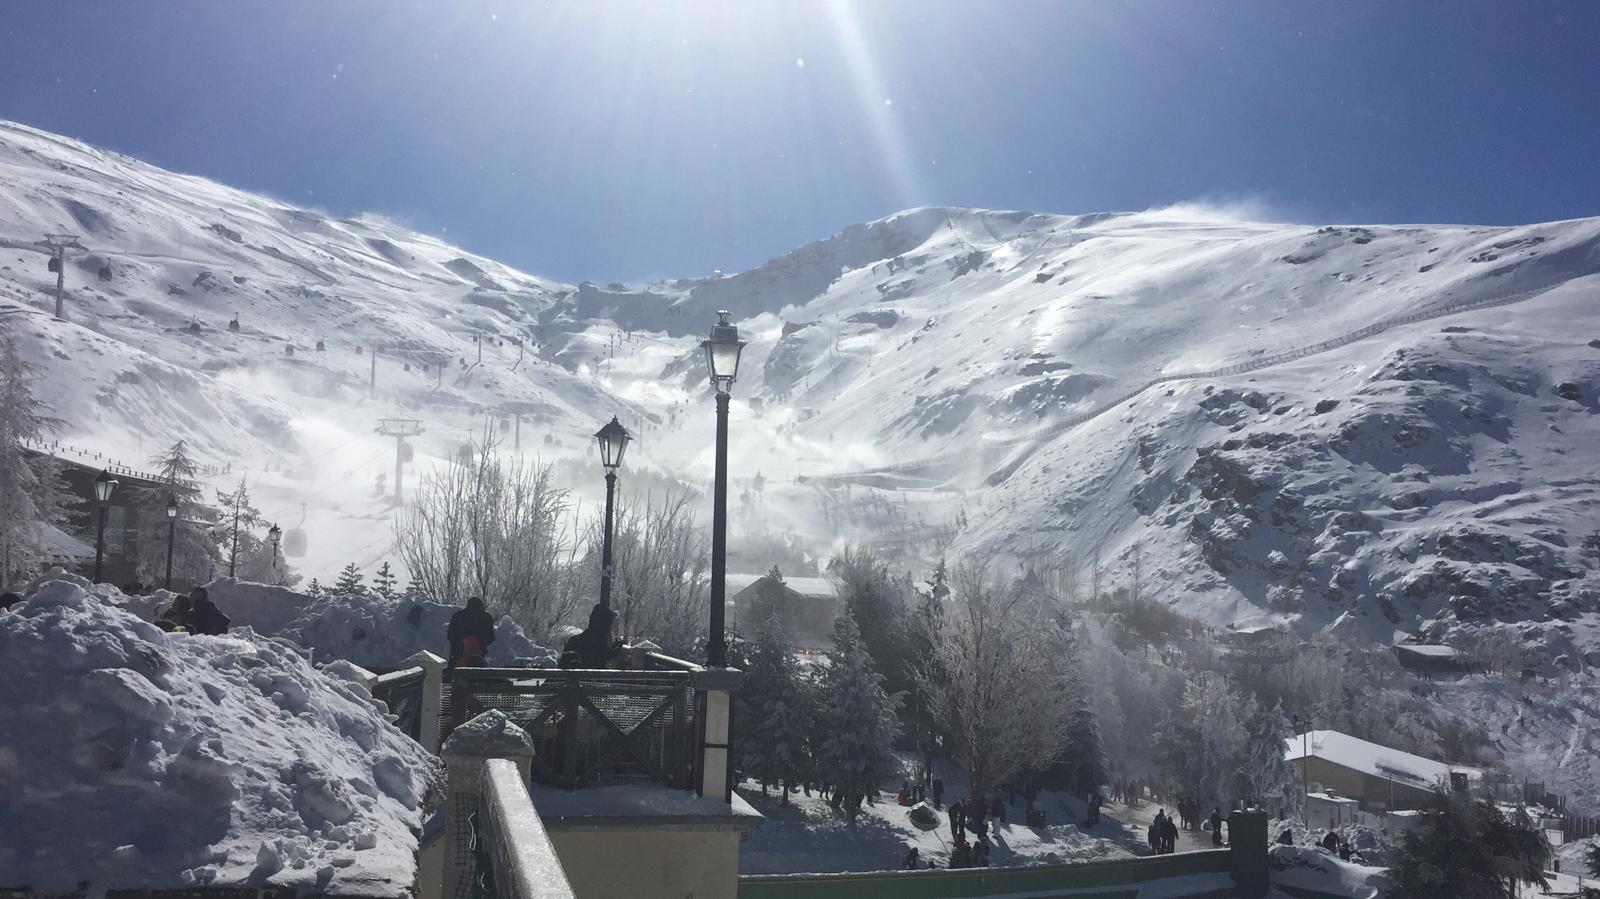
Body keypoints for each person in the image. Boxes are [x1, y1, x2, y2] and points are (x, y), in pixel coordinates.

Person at [559, 603, 622, 669]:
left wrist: (613, 650)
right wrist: (614, 652)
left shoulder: (575, 640)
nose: (610, 628)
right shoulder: (592, 642)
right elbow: (596, 660)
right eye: (608, 624)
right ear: (602, 624)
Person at [448, 596, 497, 669]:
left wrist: (476, 642)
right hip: (460, 654)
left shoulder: (459, 616)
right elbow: (490, 638)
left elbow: (450, 635)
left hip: (466, 655)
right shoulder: (486, 618)